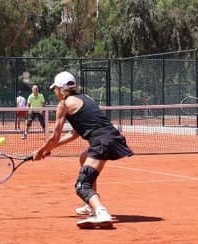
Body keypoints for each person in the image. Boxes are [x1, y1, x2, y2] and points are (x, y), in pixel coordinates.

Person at [32, 71, 133, 229]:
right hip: (112, 137)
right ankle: (91, 204)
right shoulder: (86, 98)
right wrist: (48, 149)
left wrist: (40, 150)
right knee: (83, 157)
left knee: (81, 186)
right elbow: (75, 133)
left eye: (55, 89)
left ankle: (101, 212)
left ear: (60, 89)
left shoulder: (64, 105)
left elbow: (54, 137)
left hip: (101, 142)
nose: (55, 92)